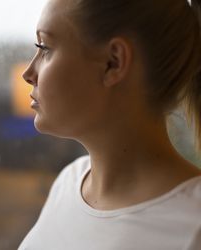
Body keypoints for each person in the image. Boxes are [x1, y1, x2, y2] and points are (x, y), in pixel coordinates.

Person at [19, 0, 201, 249]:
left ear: (113, 62)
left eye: (45, 48)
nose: (28, 73)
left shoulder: (193, 225)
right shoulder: (68, 183)